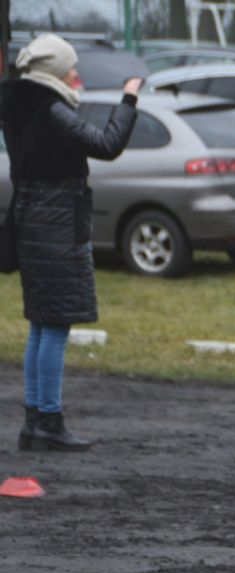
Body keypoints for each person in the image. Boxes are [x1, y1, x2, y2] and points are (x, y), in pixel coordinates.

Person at [1, 33, 141, 451]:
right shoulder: (52, 110)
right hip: (56, 224)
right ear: (54, 72)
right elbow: (107, 144)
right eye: (70, 68)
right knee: (55, 326)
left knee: (41, 324)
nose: (75, 73)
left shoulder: (20, 103)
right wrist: (129, 99)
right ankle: (48, 421)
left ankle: (35, 421)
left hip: (32, 219)